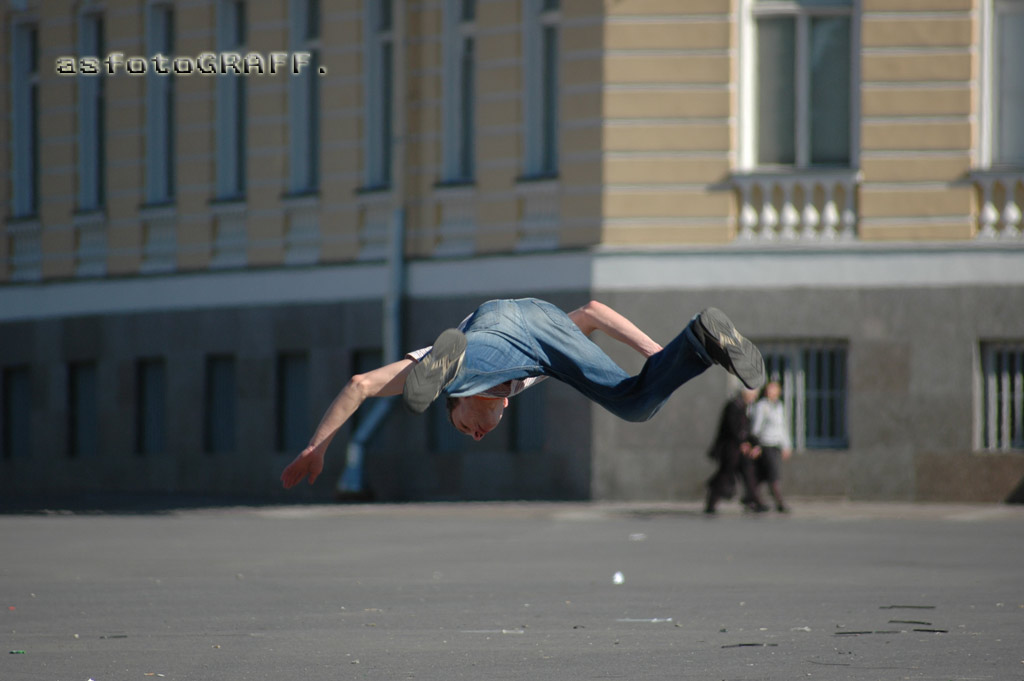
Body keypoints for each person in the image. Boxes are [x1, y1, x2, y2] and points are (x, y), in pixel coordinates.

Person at [281, 297, 765, 489]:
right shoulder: (524, 381)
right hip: (544, 330)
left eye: (463, 425)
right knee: (635, 403)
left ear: (458, 407)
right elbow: (593, 313)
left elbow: (360, 385)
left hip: (492, 331)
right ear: (508, 406)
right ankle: (701, 339)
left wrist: (316, 445)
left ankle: (453, 368)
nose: (474, 436)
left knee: (466, 365)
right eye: (475, 434)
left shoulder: (464, 366)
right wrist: (663, 358)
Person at [704, 388, 767, 514]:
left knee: (749, 473)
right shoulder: (733, 406)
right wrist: (741, 443)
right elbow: (732, 428)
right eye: (753, 395)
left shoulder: (744, 407)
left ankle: (755, 500)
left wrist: (755, 444)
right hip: (731, 449)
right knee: (725, 474)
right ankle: (711, 502)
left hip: (740, 450)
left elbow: (747, 430)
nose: (754, 398)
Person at [748, 381, 793, 512]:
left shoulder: (779, 406)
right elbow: (756, 427)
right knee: (773, 474)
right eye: (770, 388)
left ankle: (752, 499)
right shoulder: (762, 406)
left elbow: (783, 427)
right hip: (765, 444)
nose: (771, 391)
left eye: (774, 389)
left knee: (762, 475)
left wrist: (786, 445)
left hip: (776, 444)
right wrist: (755, 444)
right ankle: (779, 503)